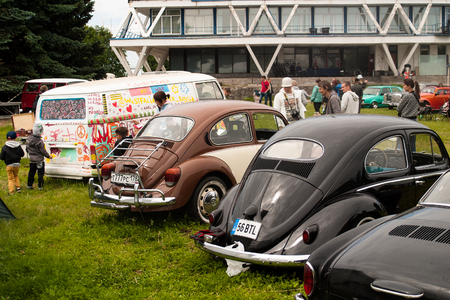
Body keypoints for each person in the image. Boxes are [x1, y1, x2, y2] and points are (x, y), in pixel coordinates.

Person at [26, 123, 51, 190]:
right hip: (39, 160)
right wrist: (48, 156)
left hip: (32, 160)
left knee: (31, 172)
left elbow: (27, 149)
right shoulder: (39, 141)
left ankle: (29, 185)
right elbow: (43, 151)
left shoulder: (28, 139)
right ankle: (40, 186)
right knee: (40, 173)